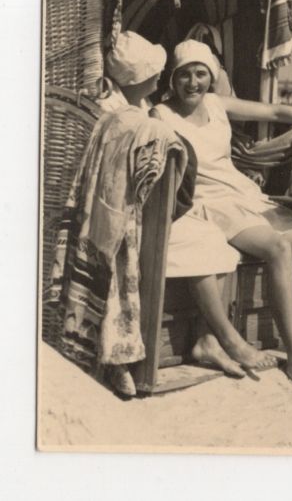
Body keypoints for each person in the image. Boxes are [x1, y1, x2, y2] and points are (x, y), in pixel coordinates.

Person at [151, 40, 292, 389]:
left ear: (211, 77)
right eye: (184, 75)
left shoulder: (215, 103)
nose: (193, 83)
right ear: (172, 79)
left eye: (200, 74)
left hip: (244, 193)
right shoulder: (161, 115)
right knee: (278, 248)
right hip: (210, 202)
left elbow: (275, 113)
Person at [100, 32, 273, 381]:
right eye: (157, 71)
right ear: (144, 77)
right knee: (207, 239)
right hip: (135, 217)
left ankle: (208, 340)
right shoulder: (133, 114)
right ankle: (227, 339)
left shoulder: (141, 109)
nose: (159, 76)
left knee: (215, 238)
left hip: (153, 208)